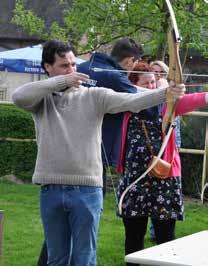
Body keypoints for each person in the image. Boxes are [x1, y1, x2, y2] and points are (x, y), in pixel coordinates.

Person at [12, 40, 184, 266]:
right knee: (56, 259)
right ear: (48, 67)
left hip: (87, 190)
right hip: (50, 189)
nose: (72, 70)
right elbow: (18, 96)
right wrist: (62, 81)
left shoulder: (94, 96)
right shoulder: (41, 99)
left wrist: (166, 94)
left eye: (74, 65)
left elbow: (132, 100)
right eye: (64, 66)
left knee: (84, 258)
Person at [117, 62, 207, 266]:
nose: (151, 86)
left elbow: (191, 100)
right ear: (134, 84)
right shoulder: (126, 105)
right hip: (135, 180)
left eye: (153, 81)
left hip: (164, 180)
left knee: (166, 237)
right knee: (133, 237)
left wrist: (205, 96)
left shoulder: (168, 104)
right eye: (146, 82)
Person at [78, 37, 144, 197]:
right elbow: (145, 106)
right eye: (135, 63)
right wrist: (164, 92)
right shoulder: (115, 77)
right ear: (129, 61)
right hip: (98, 146)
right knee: (93, 198)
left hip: (72, 143)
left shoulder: (81, 67)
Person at [149, 60, 182, 240]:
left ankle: (159, 233)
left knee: (166, 208)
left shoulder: (174, 98)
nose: (156, 76)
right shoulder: (147, 93)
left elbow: (174, 135)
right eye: (153, 72)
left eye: (160, 73)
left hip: (167, 158)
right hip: (148, 157)